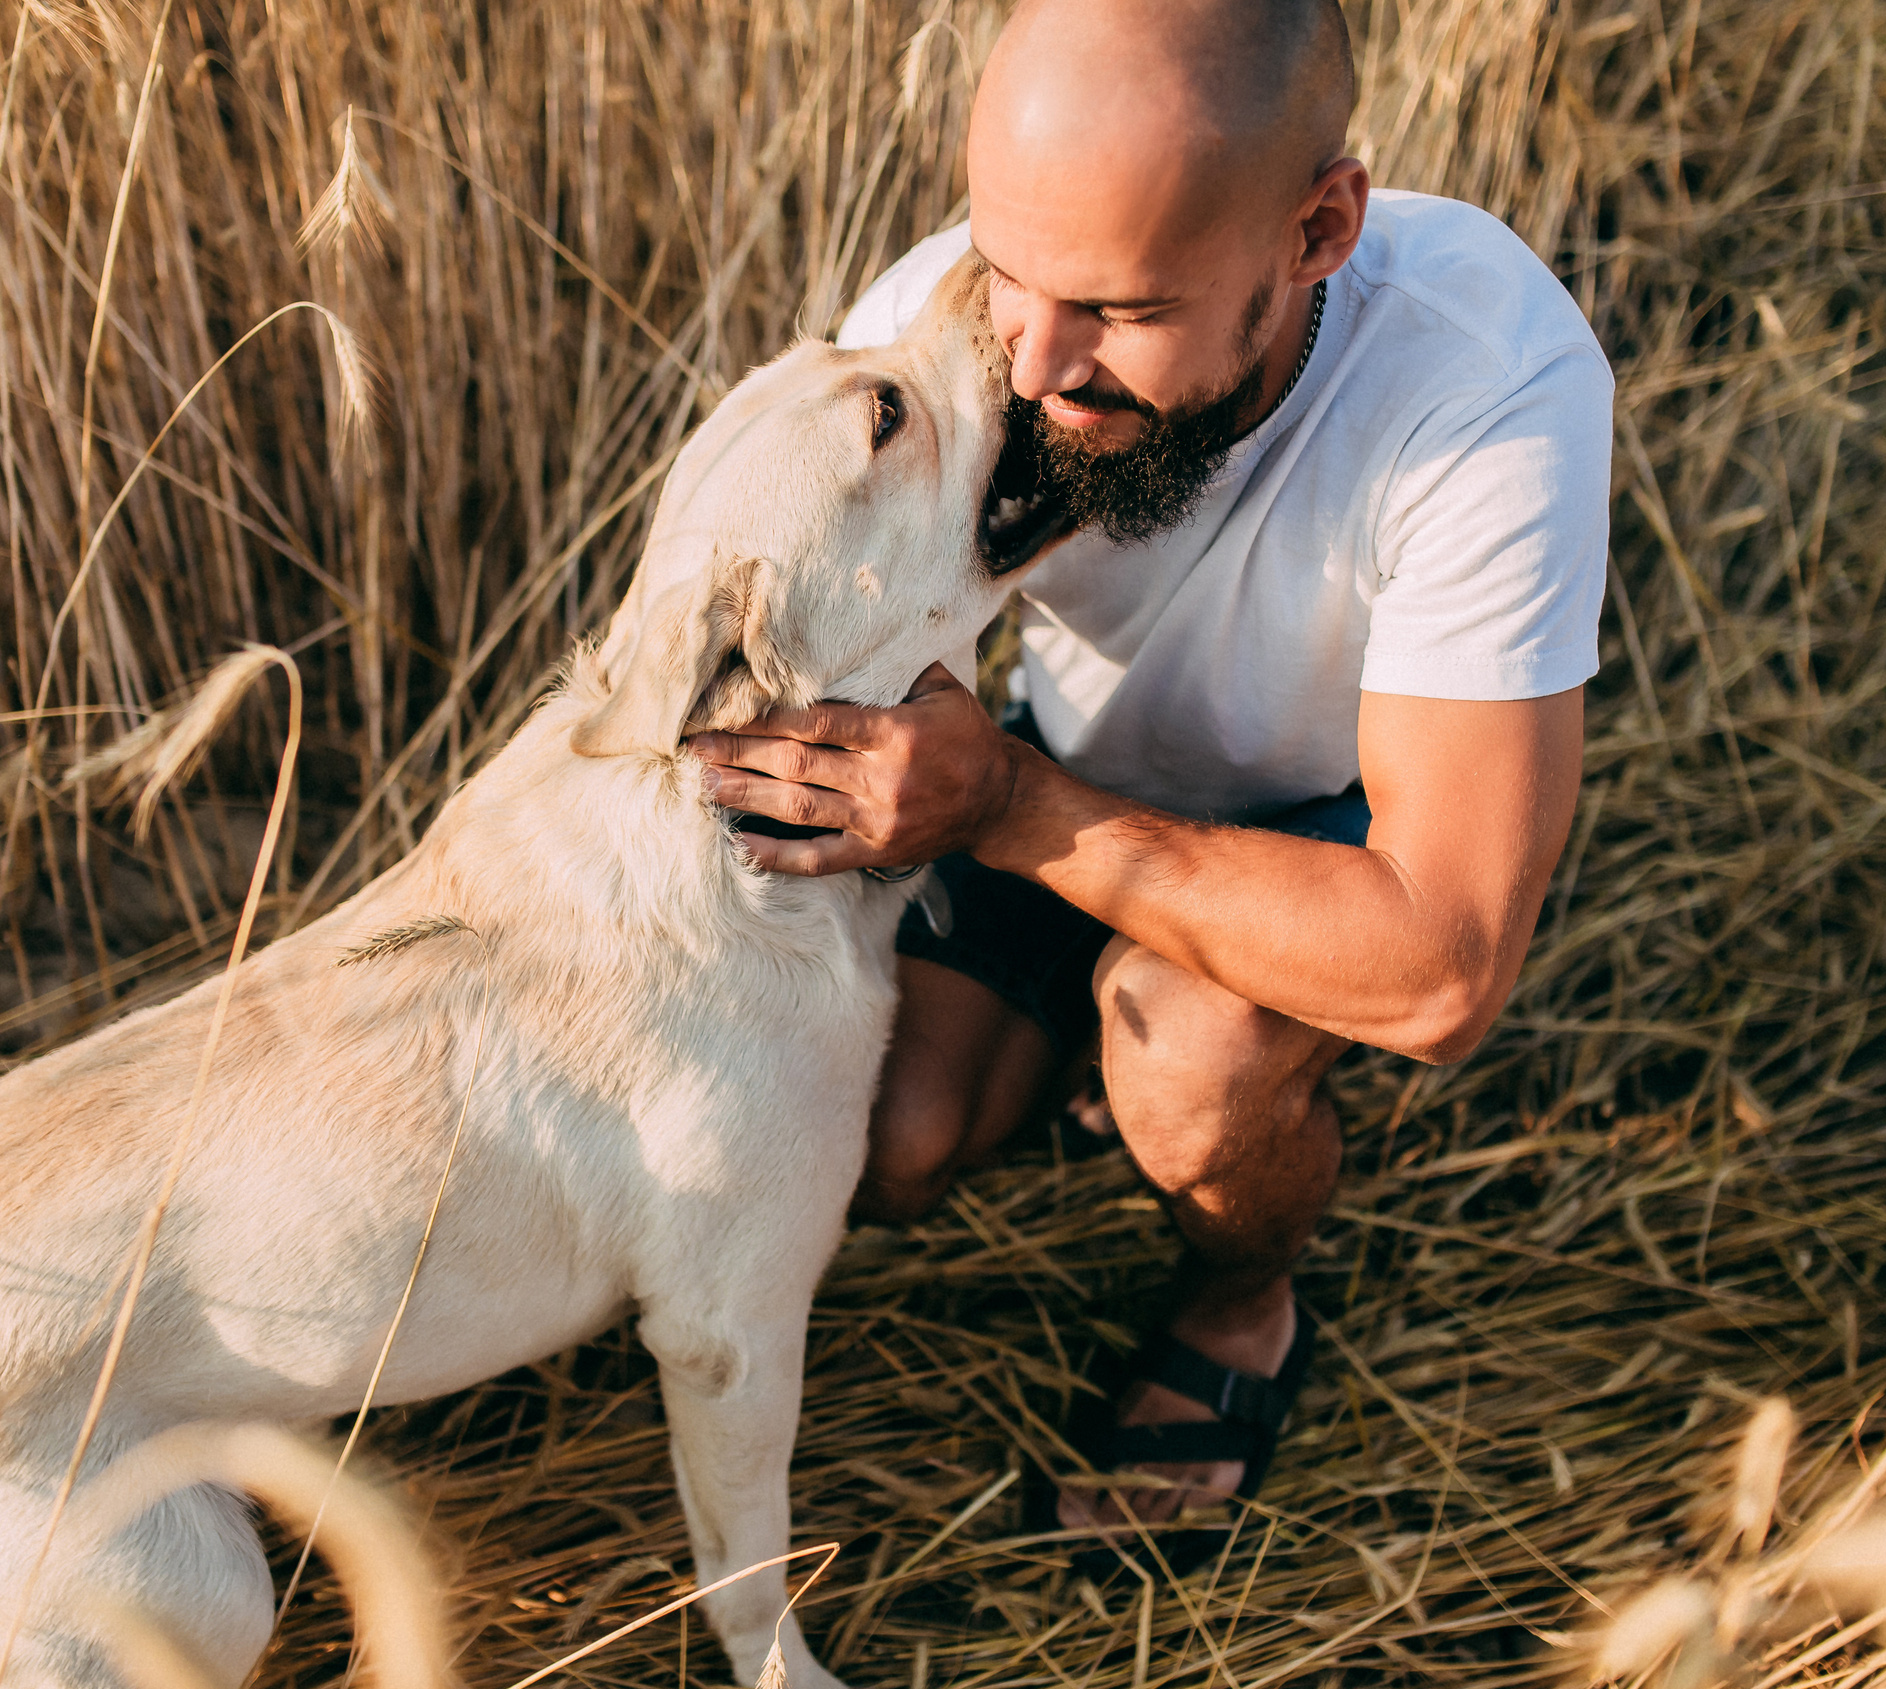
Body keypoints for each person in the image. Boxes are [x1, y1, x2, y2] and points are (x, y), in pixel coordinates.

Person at [683, 0, 1609, 1547]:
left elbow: (1447, 969)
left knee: (1189, 1058)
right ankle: (1080, 1051)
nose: (1033, 361)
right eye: (1011, 270)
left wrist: (998, 809)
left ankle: (1246, 1298)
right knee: (896, 1150)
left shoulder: (1483, 387)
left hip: (1339, 822)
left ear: (1318, 230)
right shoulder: (957, 325)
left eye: (1118, 307)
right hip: (1062, 766)